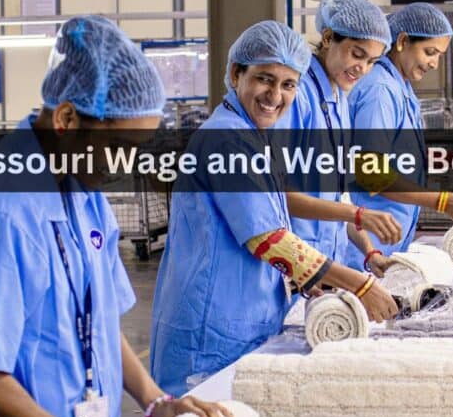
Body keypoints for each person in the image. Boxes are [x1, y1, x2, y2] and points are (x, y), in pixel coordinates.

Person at [0, 15, 230, 417]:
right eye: (119, 147)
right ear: (67, 119)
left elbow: (99, 322)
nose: (126, 165)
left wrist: (156, 401)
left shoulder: (81, 187)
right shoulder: (2, 210)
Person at [150, 20, 399, 397]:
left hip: (245, 320)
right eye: (265, 79)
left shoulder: (254, 138)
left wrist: (309, 278)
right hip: (211, 331)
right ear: (236, 74)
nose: (275, 95)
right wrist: (358, 283)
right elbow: (269, 240)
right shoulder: (226, 140)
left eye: (288, 84)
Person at [342, 3, 453, 268]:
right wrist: (440, 200)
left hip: (387, 239)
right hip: (366, 246)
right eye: (430, 52)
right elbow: (371, 172)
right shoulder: (380, 91)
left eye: (440, 55)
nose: (434, 63)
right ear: (403, 41)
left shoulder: (401, 88)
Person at [285, 0, 401, 274]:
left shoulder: (339, 103)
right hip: (293, 263)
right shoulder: (297, 96)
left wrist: (370, 251)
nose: (363, 68)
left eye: (372, 61)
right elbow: (279, 196)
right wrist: (359, 214)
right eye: (357, 54)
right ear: (327, 38)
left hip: (325, 263)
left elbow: (340, 199)